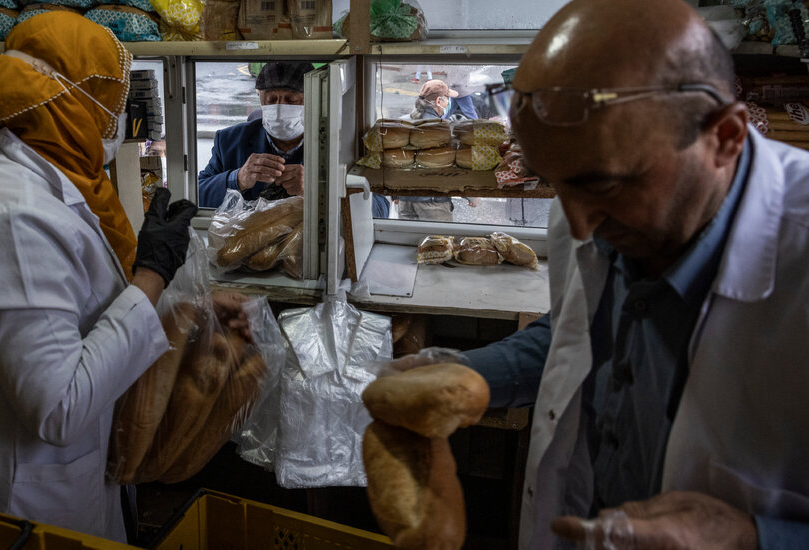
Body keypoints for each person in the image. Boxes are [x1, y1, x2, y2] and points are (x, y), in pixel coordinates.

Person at [454, 0, 809, 548]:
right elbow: (581, 334)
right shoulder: (587, 198)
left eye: (605, 184)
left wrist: (756, 537)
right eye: (556, 183)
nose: (577, 224)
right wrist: (468, 375)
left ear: (725, 137)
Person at [0, 13, 248, 548]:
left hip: (79, 481)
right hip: (18, 498)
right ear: (73, 102)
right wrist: (152, 275)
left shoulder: (53, 177)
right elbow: (59, 405)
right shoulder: (8, 215)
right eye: (111, 105)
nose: (115, 124)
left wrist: (191, 319)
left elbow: (84, 318)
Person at [198, 62, 390, 218]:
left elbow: (380, 209)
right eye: (271, 99)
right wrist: (238, 178)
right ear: (260, 100)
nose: (280, 108)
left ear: (314, 101)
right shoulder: (230, 141)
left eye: (291, 100)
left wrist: (319, 192)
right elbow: (197, 195)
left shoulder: (343, 145)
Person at [397, 79, 457, 222]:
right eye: (447, 99)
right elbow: (453, 163)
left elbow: (397, 161)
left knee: (406, 242)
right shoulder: (442, 128)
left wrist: (395, 194)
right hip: (433, 201)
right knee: (438, 243)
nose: (448, 103)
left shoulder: (402, 122)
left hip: (405, 200)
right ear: (438, 101)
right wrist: (472, 195)